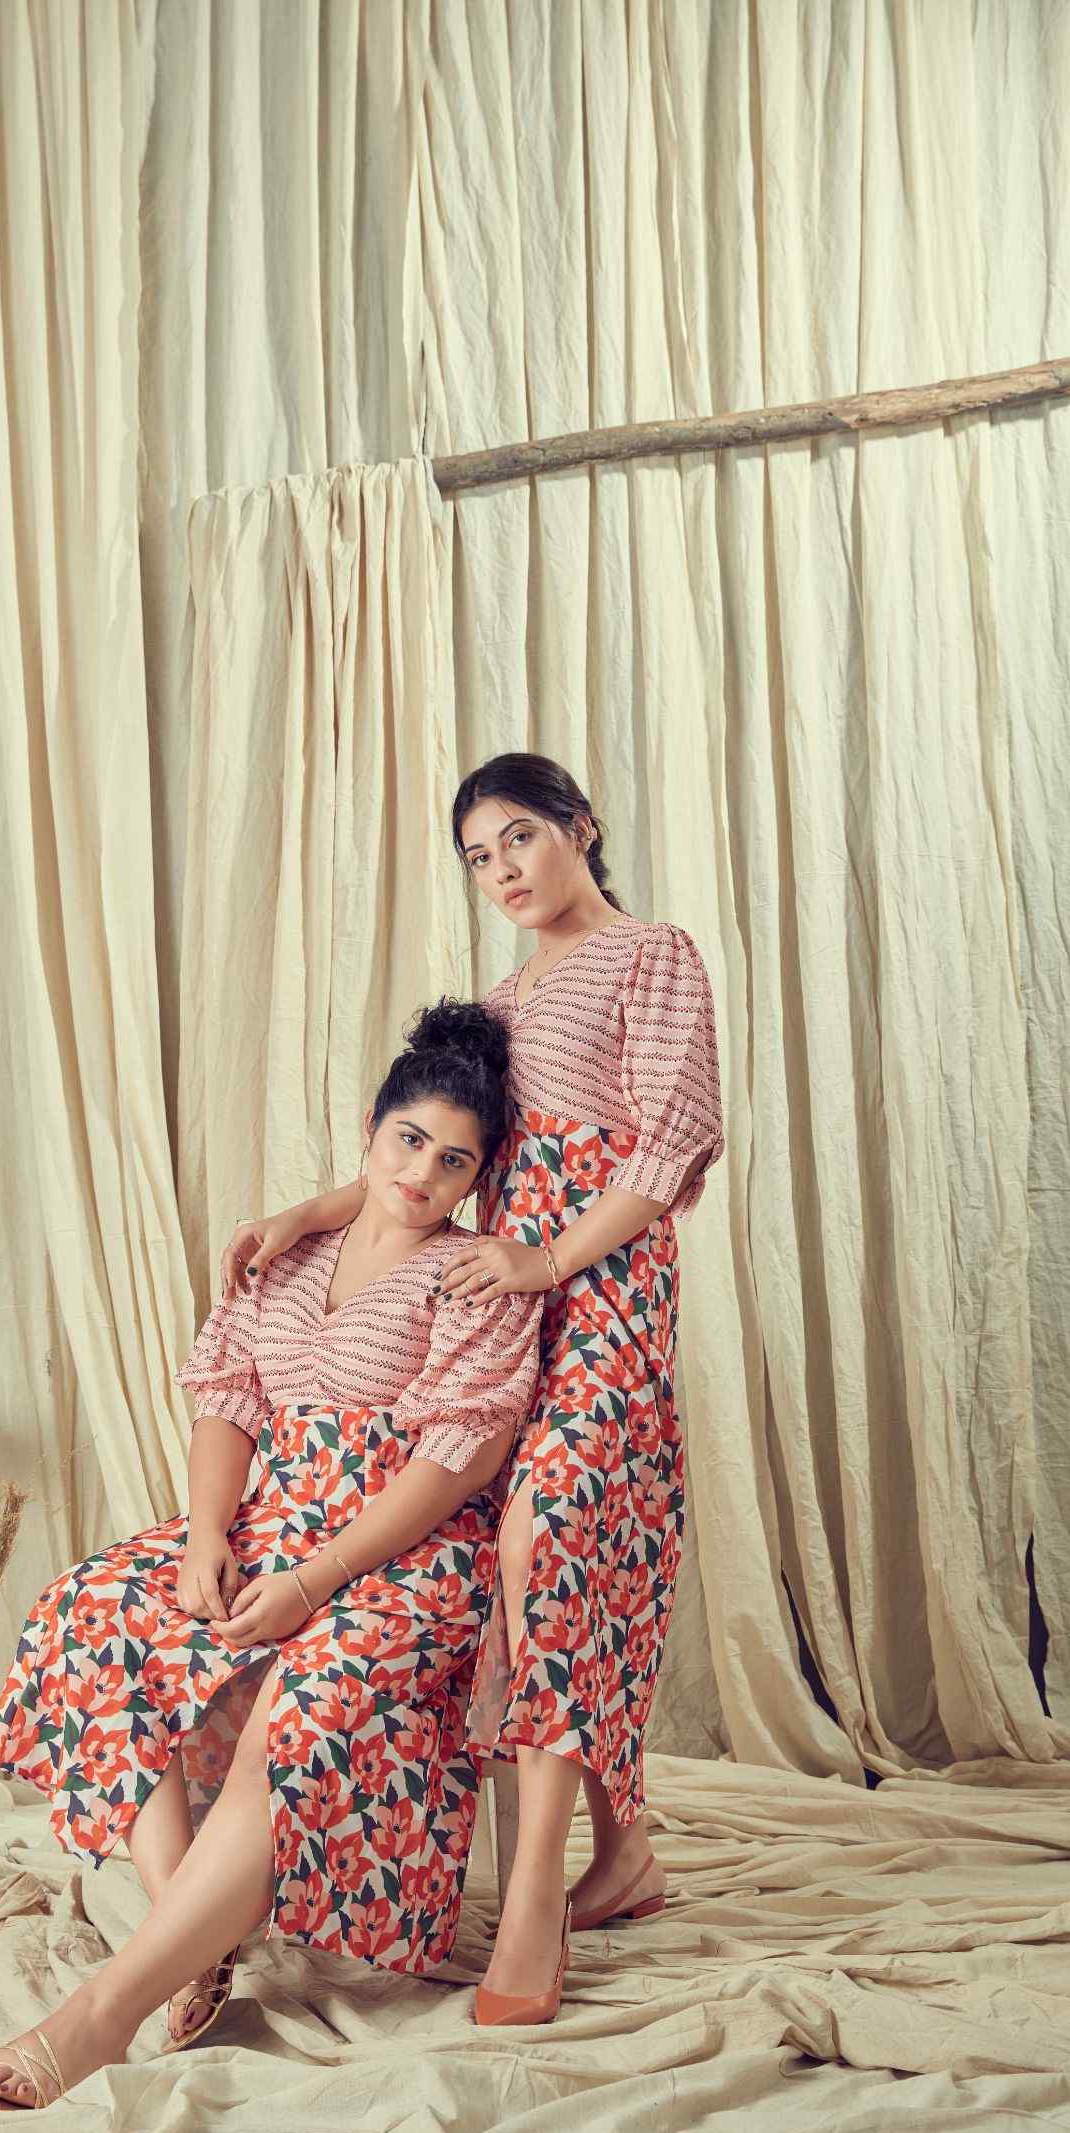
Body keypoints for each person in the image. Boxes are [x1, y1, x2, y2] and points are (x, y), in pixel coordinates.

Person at [0, 998, 543, 2113]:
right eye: (409, 1141)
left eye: (453, 1161)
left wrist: (316, 1582)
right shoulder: (287, 1253)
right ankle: (193, 1942)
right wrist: (208, 1534)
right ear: (371, 1131)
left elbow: (454, 1467)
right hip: (271, 1522)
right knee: (95, 1613)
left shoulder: (475, 1276)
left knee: (301, 1713)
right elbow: (228, 1399)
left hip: (407, 1553)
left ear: (477, 1177)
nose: (422, 1174)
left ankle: (99, 2016)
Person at [221, 754, 724, 2026]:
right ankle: (624, 1855)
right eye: (478, 857)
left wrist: (547, 1260)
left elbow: (670, 1147)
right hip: (493, 1300)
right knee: (537, 1564)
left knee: (545, 1537)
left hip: (600, 1292)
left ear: (581, 828)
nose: (501, 871)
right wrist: (308, 1214)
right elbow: (433, 1147)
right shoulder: (498, 1005)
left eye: (519, 839)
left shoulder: (651, 955)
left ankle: (536, 1897)